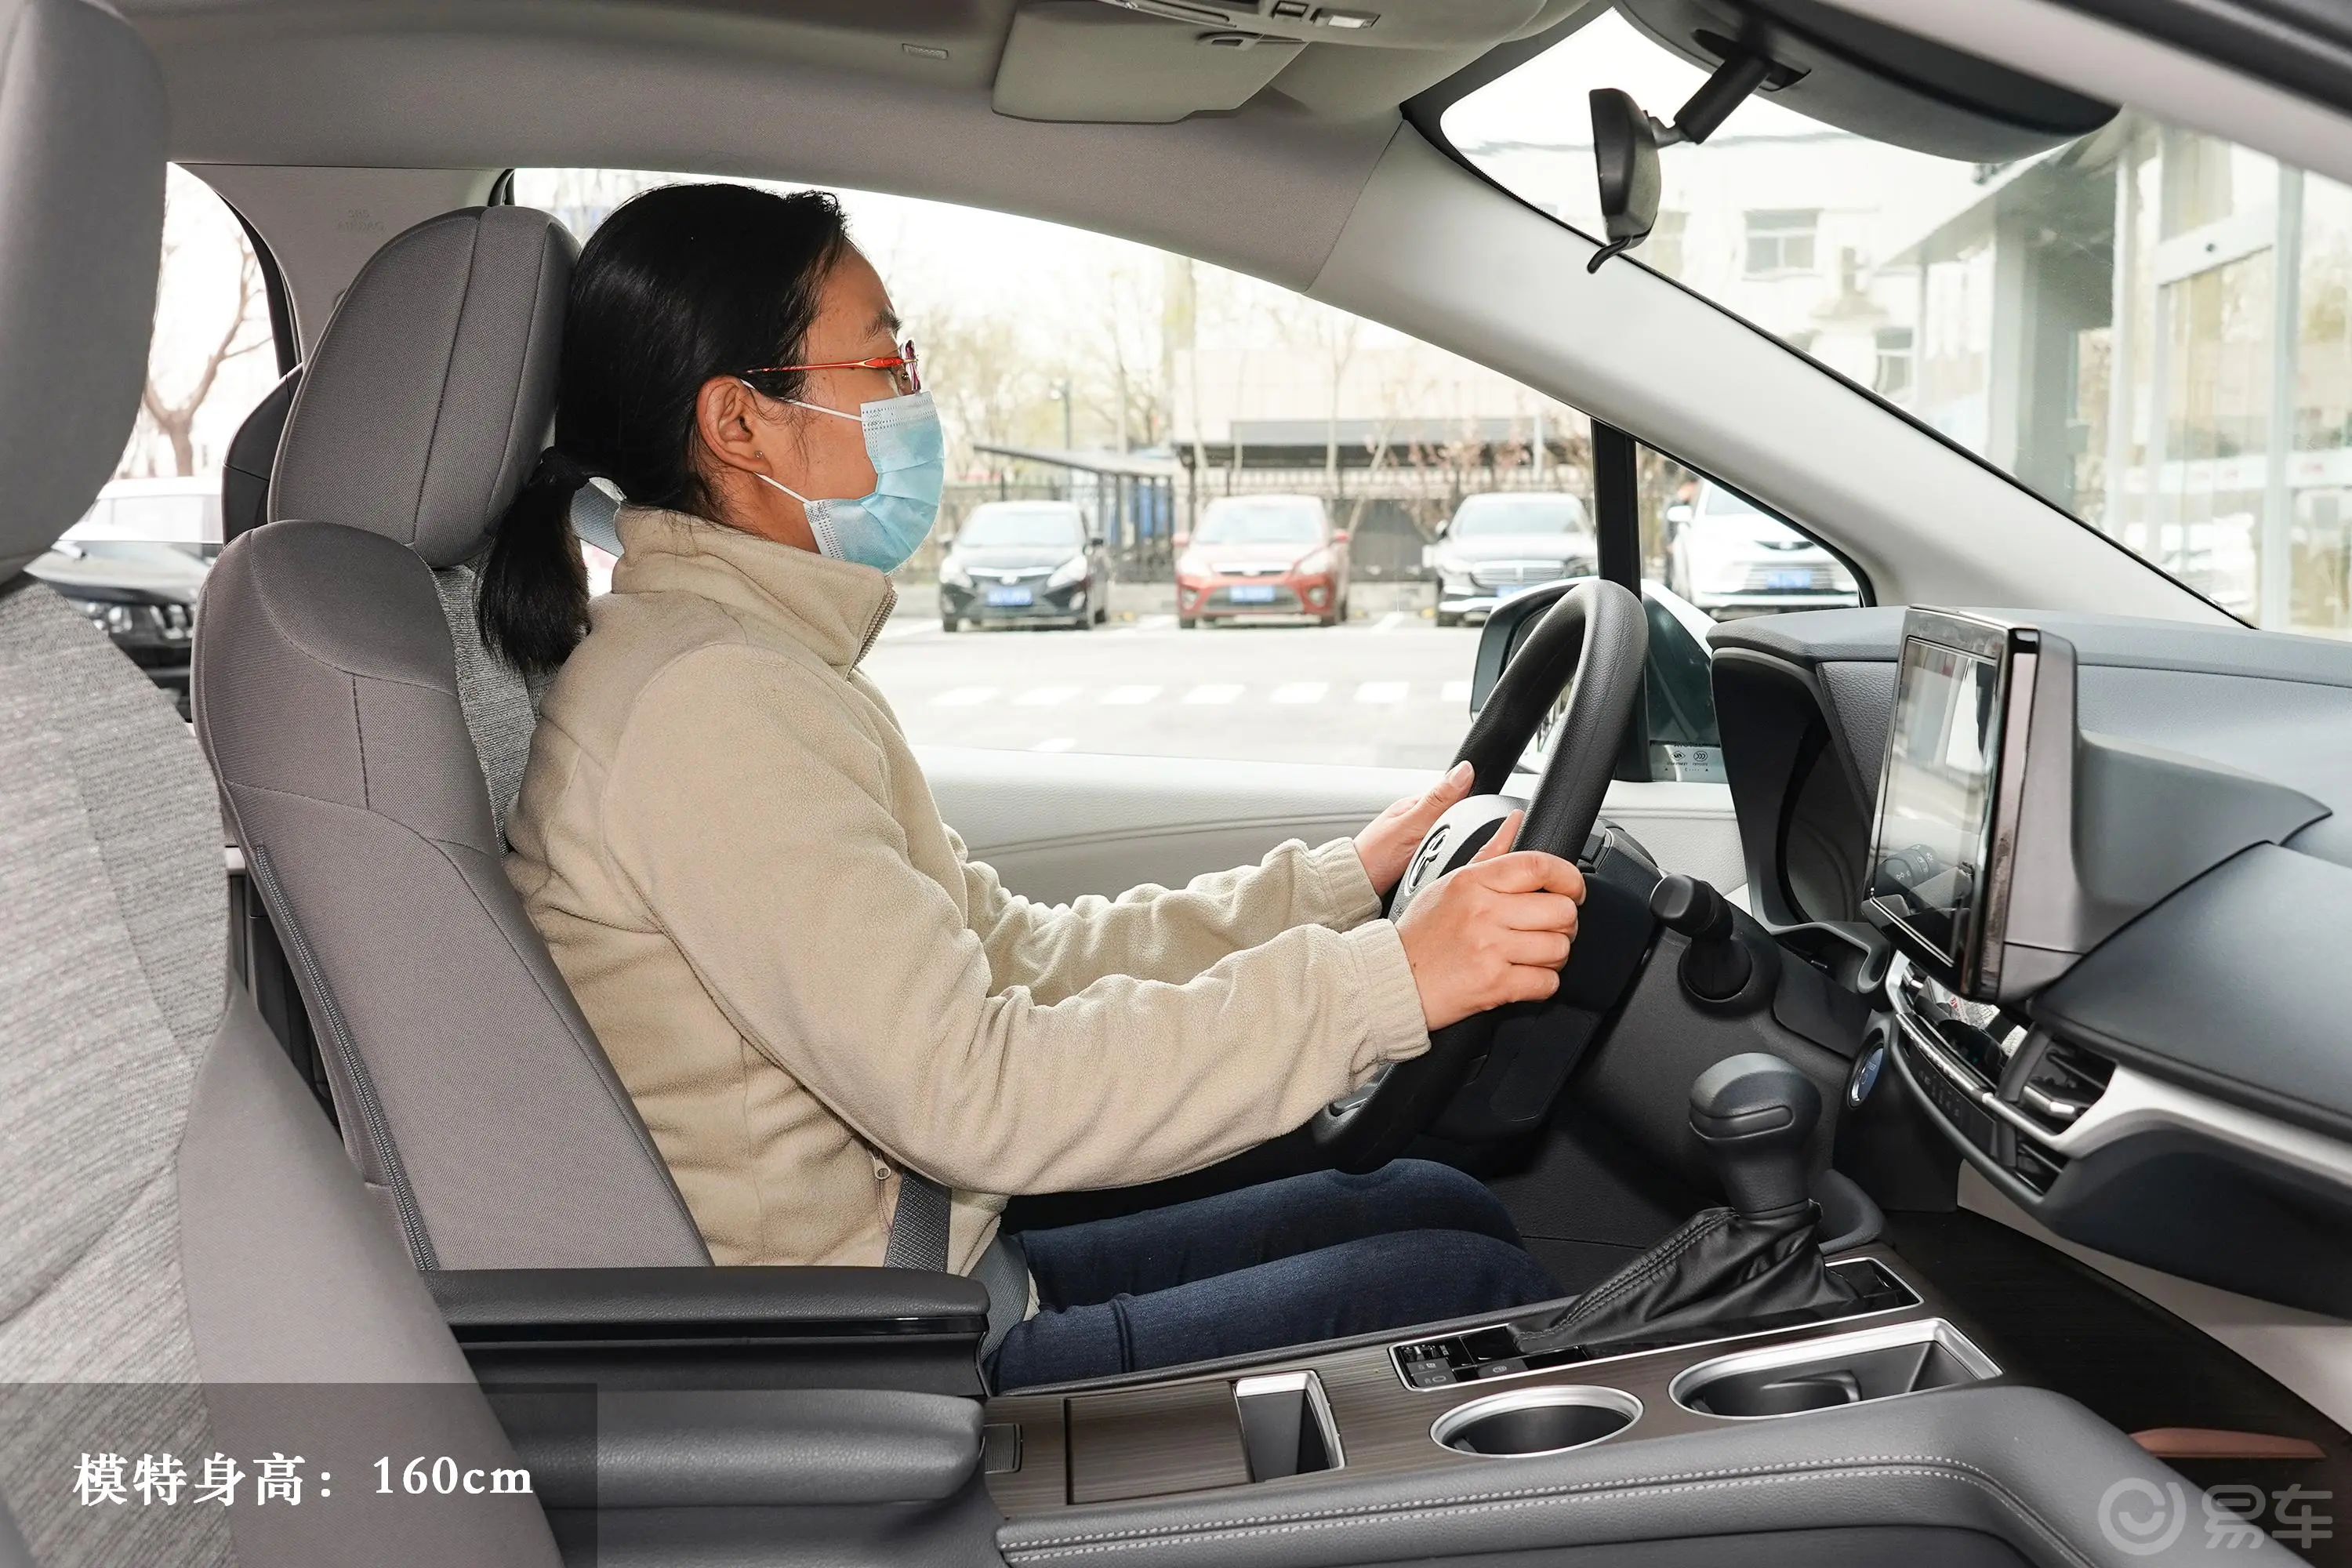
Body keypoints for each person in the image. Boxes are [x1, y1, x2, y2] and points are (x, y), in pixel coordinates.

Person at [496, 183, 1588, 1389]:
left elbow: (1010, 955)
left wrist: (1336, 888)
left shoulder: (744, 664)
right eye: (884, 358)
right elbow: (976, 1092)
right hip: (883, 1370)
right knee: (1467, 1290)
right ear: (741, 423)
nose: (915, 392)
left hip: (941, 1278)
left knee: (1434, 1207)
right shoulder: (707, 708)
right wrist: (1392, 979)